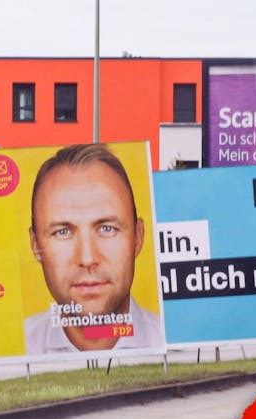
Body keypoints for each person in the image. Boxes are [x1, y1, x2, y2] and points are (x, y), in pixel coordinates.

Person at [23, 144, 162, 354]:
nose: (87, 259)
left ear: (138, 237)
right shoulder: (16, 347)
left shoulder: (176, 346)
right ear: (35, 245)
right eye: (62, 232)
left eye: (107, 229)